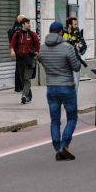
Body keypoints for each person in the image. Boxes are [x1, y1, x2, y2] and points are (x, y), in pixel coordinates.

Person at [36, 21, 81, 161]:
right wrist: (76, 54)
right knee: (72, 117)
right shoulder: (67, 47)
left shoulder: (42, 48)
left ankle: (57, 147)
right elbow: (76, 67)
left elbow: (41, 61)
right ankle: (64, 145)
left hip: (51, 87)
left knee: (55, 120)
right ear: (61, 32)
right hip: (66, 86)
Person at [10, 18, 40, 104]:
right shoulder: (17, 34)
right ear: (23, 24)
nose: (29, 24)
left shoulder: (32, 34)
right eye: (27, 23)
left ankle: (23, 95)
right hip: (20, 58)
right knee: (22, 79)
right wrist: (12, 50)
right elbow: (12, 44)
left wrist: (36, 52)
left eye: (29, 23)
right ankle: (29, 96)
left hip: (29, 58)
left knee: (27, 78)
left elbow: (37, 44)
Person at [63, 17, 87, 90]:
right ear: (69, 25)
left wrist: (81, 46)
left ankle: (74, 97)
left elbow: (84, 45)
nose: (76, 25)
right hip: (65, 60)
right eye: (75, 24)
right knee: (66, 82)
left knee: (76, 82)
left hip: (76, 59)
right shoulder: (63, 33)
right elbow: (62, 44)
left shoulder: (78, 32)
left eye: (77, 24)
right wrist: (73, 45)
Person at [8, 14, 25, 93]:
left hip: (19, 50)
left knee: (19, 68)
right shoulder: (18, 27)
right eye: (22, 19)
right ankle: (19, 87)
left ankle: (18, 87)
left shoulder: (16, 26)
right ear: (19, 19)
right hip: (19, 50)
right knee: (19, 69)